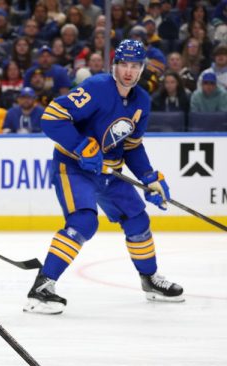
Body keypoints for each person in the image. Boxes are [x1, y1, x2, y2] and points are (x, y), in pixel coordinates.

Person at [26, 39, 185, 315]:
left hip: (110, 172)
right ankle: (42, 287)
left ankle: (149, 280)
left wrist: (149, 177)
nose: (129, 71)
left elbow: (132, 146)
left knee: (138, 219)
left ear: (142, 68)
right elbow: (51, 117)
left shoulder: (141, 101)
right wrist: (80, 145)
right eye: (124, 64)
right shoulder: (97, 87)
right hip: (74, 167)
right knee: (84, 221)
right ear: (115, 65)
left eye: (135, 66)